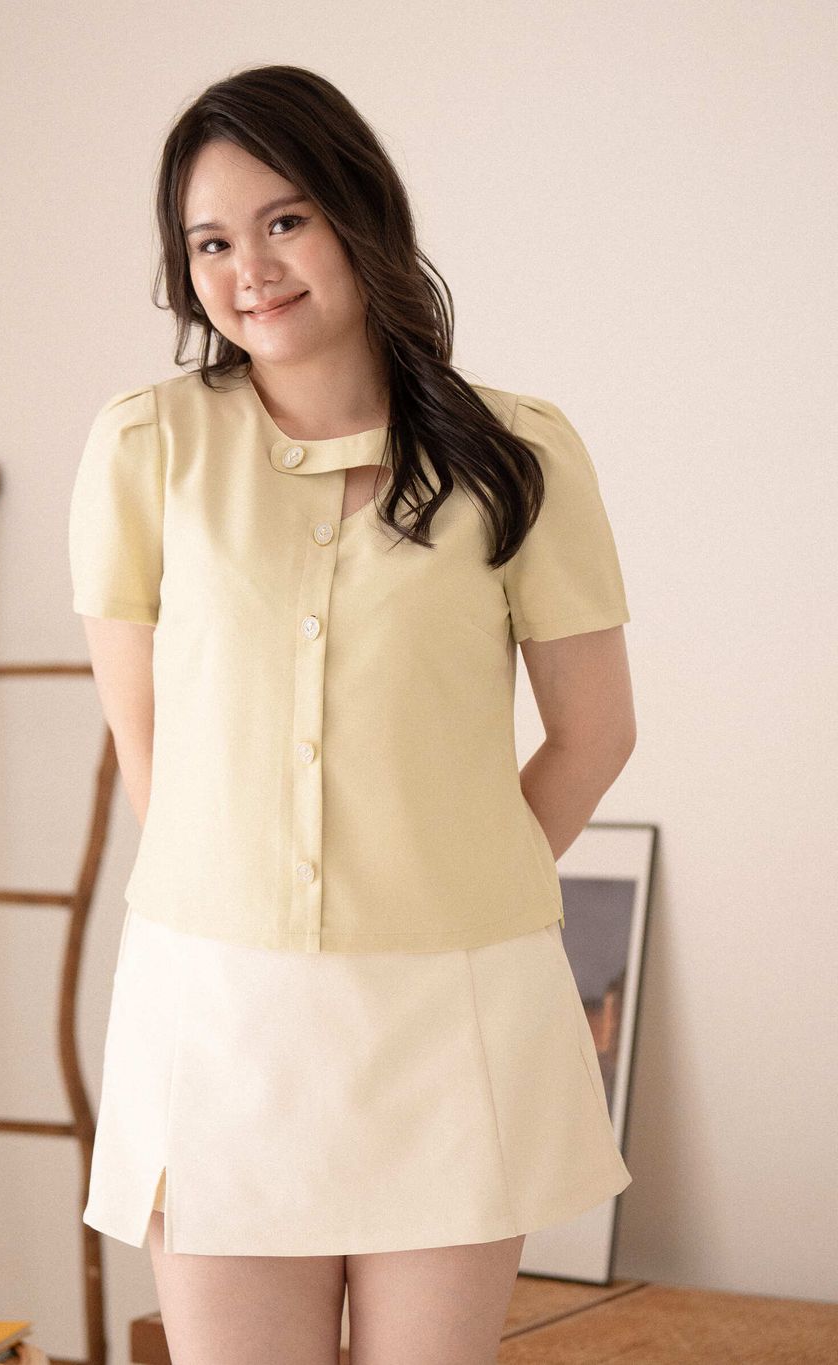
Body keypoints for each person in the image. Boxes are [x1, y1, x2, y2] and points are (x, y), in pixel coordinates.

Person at [69, 63, 636, 1365]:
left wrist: (444, 886)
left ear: (357, 214)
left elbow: (597, 728)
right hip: (220, 1014)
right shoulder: (145, 450)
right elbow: (147, 744)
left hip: (451, 1011)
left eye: (283, 221)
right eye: (210, 240)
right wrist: (275, 910)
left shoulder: (518, 452)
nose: (249, 268)